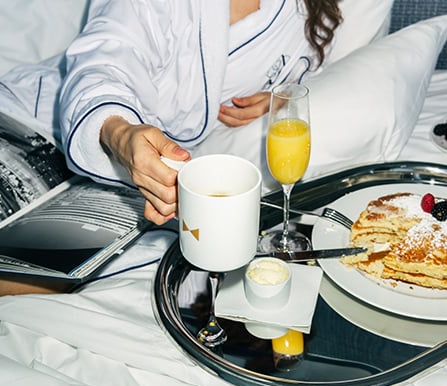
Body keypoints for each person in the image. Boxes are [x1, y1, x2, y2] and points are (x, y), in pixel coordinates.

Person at [60, 0, 343, 226]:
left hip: (158, 189)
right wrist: (120, 133)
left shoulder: (313, 17)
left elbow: (310, 84)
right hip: (58, 131)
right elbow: (106, 58)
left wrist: (281, 98)